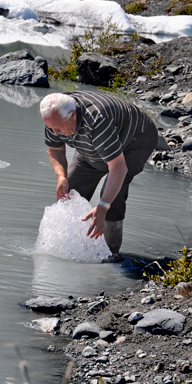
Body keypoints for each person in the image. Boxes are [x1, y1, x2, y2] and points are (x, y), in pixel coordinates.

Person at [40, 91, 158, 260]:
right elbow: (55, 149)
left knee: (112, 197)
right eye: (52, 128)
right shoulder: (54, 117)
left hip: (134, 141)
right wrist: (61, 177)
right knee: (71, 193)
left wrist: (103, 206)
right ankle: (72, 250)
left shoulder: (97, 120)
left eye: (58, 128)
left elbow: (118, 168)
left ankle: (111, 255)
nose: (56, 132)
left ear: (72, 115)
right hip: (93, 146)